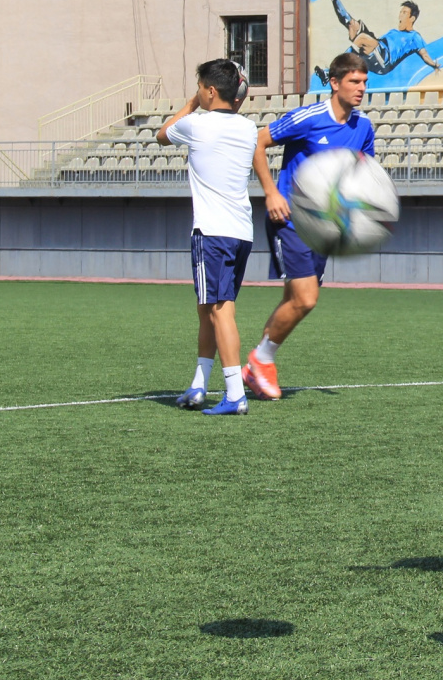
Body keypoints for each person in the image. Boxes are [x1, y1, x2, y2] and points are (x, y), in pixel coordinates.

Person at [243, 52, 376, 398]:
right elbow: (258, 143)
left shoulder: (363, 127)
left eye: (365, 82)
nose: (361, 88)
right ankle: (260, 360)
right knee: (306, 299)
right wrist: (271, 193)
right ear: (334, 83)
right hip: (290, 219)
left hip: (324, 227)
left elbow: (362, 173)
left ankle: (257, 367)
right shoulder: (309, 117)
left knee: (294, 299)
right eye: (354, 81)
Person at [161, 59, 269, 416]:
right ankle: (199, 385)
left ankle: (235, 393)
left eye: (200, 88)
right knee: (208, 308)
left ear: (209, 90)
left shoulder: (195, 123)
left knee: (221, 310)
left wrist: (192, 103)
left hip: (211, 232)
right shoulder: (248, 128)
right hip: (241, 233)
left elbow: (162, 135)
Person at [322, 0, 442, 80]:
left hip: (385, 60)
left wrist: (434, 65)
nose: (400, 15)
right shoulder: (393, 32)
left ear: (412, 18)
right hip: (377, 50)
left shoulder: (414, 37)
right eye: (400, 12)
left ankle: (331, 72)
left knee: (362, 38)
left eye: (404, 12)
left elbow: (424, 54)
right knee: (352, 25)